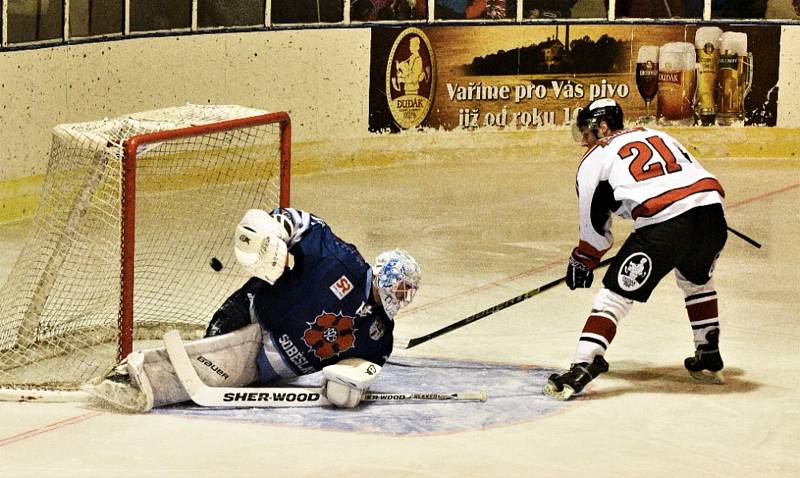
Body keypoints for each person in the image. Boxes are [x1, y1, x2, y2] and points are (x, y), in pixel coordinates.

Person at [83, 207, 421, 412]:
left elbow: (363, 367)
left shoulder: (379, 337)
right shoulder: (340, 261)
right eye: (401, 287)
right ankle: (130, 378)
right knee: (205, 364)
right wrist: (276, 230)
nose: (402, 296)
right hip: (252, 319)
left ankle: (138, 377)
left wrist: (351, 382)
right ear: (385, 274)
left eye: (408, 293)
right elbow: (305, 224)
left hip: (271, 370)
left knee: (213, 369)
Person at [543, 98, 728, 400]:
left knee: (614, 297)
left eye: (587, 133)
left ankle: (583, 364)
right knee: (697, 281)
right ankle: (708, 353)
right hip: (712, 215)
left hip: (665, 227)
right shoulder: (658, 135)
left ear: (602, 127)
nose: (584, 142)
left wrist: (583, 260)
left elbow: (593, 225)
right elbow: (688, 176)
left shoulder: (596, 157)